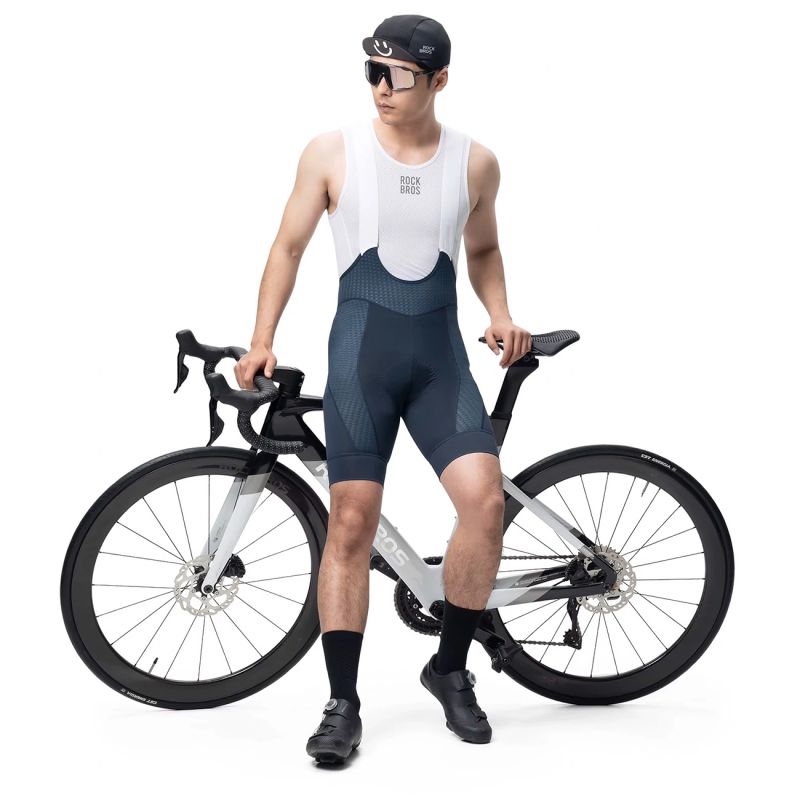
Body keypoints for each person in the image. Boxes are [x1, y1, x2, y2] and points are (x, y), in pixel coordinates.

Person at [234, 14, 532, 763]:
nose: (379, 88)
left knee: (485, 504)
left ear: (439, 80)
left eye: (395, 75)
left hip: (439, 365)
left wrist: (499, 314)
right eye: (370, 71)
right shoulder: (331, 152)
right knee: (350, 523)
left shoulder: (475, 163)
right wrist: (263, 337)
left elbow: (484, 249)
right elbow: (288, 247)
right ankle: (342, 702)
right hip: (361, 361)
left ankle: (450, 668)